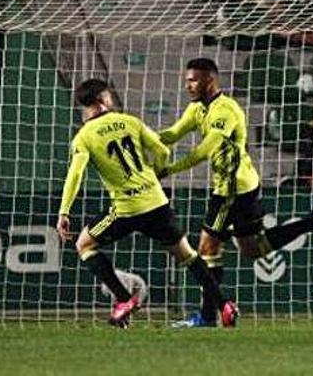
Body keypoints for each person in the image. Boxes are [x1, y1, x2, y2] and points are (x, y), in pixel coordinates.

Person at [160, 58, 313, 328]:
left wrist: (170, 169)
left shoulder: (226, 110)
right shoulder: (197, 108)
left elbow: (204, 150)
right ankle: (311, 221)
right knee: (252, 249)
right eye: (187, 79)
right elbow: (173, 133)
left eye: (193, 80)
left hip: (232, 189)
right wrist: (142, 138)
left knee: (207, 247)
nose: (187, 85)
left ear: (210, 80)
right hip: (240, 186)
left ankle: (209, 315)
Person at [55, 79, 237, 328]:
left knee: (84, 244)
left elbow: (75, 174)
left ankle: (123, 299)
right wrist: (157, 171)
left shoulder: (83, 137)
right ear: (102, 99)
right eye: (108, 95)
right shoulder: (130, 121)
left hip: (127, 210)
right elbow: (163, 151)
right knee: (189, 256)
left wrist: (64, 211)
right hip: (157, 203)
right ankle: (225, 305)